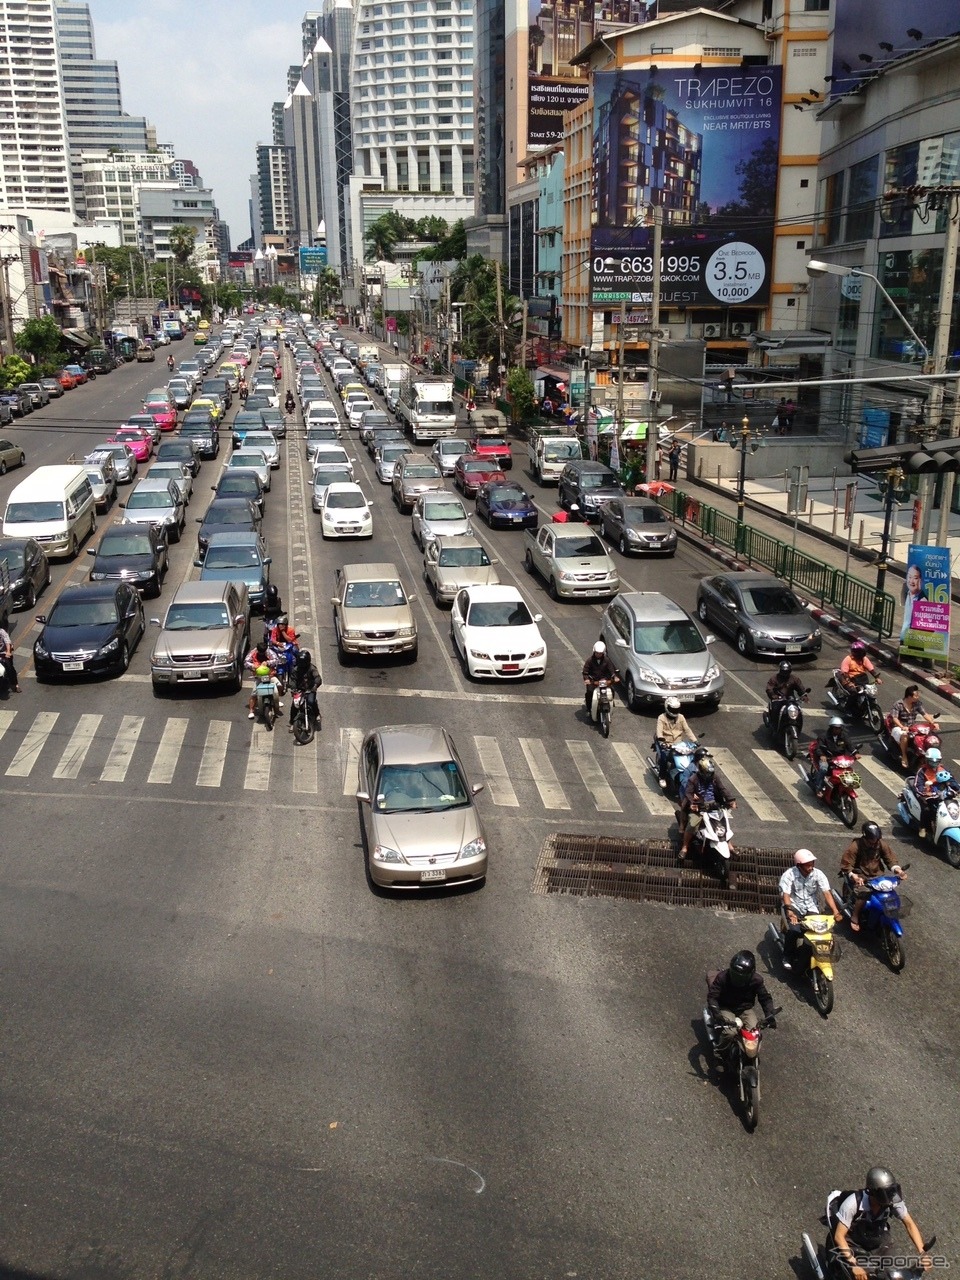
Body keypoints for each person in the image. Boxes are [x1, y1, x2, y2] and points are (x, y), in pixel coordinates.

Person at [829, 1168, 932, 1280]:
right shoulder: (853, 1204)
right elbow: (839, 1236)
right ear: (872, 1192)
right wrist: (854, 1264)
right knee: (865, 1276)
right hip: (855, 1244)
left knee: (894, 1274)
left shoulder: (892, 1199)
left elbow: (909, 1224)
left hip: (878, 1242)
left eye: (891, 1192)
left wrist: (922, 1253)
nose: (890, 1199)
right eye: (885, 1194)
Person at [778, 849, 843, 966]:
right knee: (794, 931)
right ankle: (787, 955)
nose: (810, 867)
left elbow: (827, 893)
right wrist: (790, 912)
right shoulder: (789, 875)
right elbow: (786, 895)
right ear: (799, 865)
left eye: (812, 863)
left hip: (811, 907)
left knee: (819, 931)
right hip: (794, 906)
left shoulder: (818, 874)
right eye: (807, 865)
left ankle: (807, 952)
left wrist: (835, 912)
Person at [706, 950, 776, 1057]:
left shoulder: (757, 980)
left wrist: (769, 1015)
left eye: (742, 977)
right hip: (726, 1007)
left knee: (754, 1034)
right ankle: (719, 1054)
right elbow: (712, 997)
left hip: (745, 1009)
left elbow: (765, 998)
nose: (738, 979)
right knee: (730, 1033)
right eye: (735, 974)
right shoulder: (722, 978)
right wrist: (717, 1014)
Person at [840, 822, 905, 931]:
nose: (874, 843)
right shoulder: (855, 846)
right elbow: (847, 864)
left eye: (876, 840)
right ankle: (855, 916)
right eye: (871, 841)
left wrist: (897, 870)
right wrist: (854, 876)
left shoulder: (881, 844)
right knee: (863, 894)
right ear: (865, 837)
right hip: (861, 877)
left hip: (878, 876)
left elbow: (890, 859)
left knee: (890, 894)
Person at [679, 752, 737, 859]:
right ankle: (685, 846)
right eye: (707, 773)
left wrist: (731, 800)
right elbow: (688, 793)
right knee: (692, 824)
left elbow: (722, 789)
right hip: (699, 806)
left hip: (714, 805)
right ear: (701, 770)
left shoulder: (714, 777)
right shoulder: (693, 779)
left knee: (723, 822)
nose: (709, 776)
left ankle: (728, 842)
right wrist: (693, 803)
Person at [887, 683, 939, 769]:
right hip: (898, 727)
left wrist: (932, 723)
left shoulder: (917, 704)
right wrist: (901, 726)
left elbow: (924, 714)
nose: (918, 697)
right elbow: (895, 718)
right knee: (904, 736)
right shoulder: (898, 704)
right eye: (916, 696)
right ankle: (904, 756)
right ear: (909, 696)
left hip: (912, 726)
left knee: (928, 736)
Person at [654, 696, 697, 786]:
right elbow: (659, 732)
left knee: (690, 757)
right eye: (672, 709)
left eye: (676, 709)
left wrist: (695, 740)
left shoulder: (681, 717)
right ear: (667, 707)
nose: (674, 711)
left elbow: (687, 730)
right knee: (664, 757)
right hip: (666, 743)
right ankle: (662, 777)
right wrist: (662, 742)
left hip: (678, 744)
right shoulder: (661, 718)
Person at [812, 716, 856, 798]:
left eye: (839, 728)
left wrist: (855, 753)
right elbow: (818, 748)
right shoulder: (823, 736)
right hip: (827, 758)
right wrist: (822, 755)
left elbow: (850, 745)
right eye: (836, 728)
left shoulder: (844, 736)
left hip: (839, 759)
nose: (838, 730)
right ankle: (818, 788)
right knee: (823, 769)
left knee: (848, 771)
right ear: (831, 728)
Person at [913, 746, 946, 838]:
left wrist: (956, 788)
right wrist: (925, 792)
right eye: (931, 762)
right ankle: (923, 827)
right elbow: (917, 785)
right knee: (927, 809)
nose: (934, 764)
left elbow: (950, 780)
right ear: (927, 761)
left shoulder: (942, 770)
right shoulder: (922, 771)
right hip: (926, 794)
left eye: (936, 762)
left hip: (939, 794)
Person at [244, 641, 281, 720]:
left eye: (263, 652)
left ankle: (277, 701)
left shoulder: (269, 652)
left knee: (279, 685)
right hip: (259, 677)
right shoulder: (253, 653)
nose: (261, 653)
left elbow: (277, 660)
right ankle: (251, 710)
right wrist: (253, 666)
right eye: (260, 652)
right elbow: (246, 662)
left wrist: (268, 662)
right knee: (254, 693)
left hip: (270, 675)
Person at [581, 640, 619, 716]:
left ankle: (611, 702)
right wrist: (587, 679)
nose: (598, 654)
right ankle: (589, 709)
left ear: (603, 653)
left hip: (604, 681)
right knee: (589, 692)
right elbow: (585, 672)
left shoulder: (607, 660)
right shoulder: (589, 661)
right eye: (597, 653)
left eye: (600, 653)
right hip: (593, 681)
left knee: (611, 691)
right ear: (594, 652)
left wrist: (614, 677)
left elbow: (611, 670)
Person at [288, 648, 322, 729]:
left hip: (311, 689)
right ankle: (292, 722)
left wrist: (315, 686)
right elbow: (292, 680)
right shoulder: (296, 670)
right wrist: (293, 688)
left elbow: (318, 678)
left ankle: (317, 714)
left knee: (311, 701)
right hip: (299, 690)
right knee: (294, 705)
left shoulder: (312, 668)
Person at [900, 562, 924, 641]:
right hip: (905, 637)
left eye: (915, 578)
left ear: (920, 580)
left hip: (915, 640)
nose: (911, 581)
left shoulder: (923, 599)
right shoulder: (906, 593)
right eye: (909, 577)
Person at [0, 621, 20, 693]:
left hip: (4, 653)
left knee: (9, 667)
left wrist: (8, 652)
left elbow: (7, 641)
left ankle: (15, 684)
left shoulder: (2, 632)